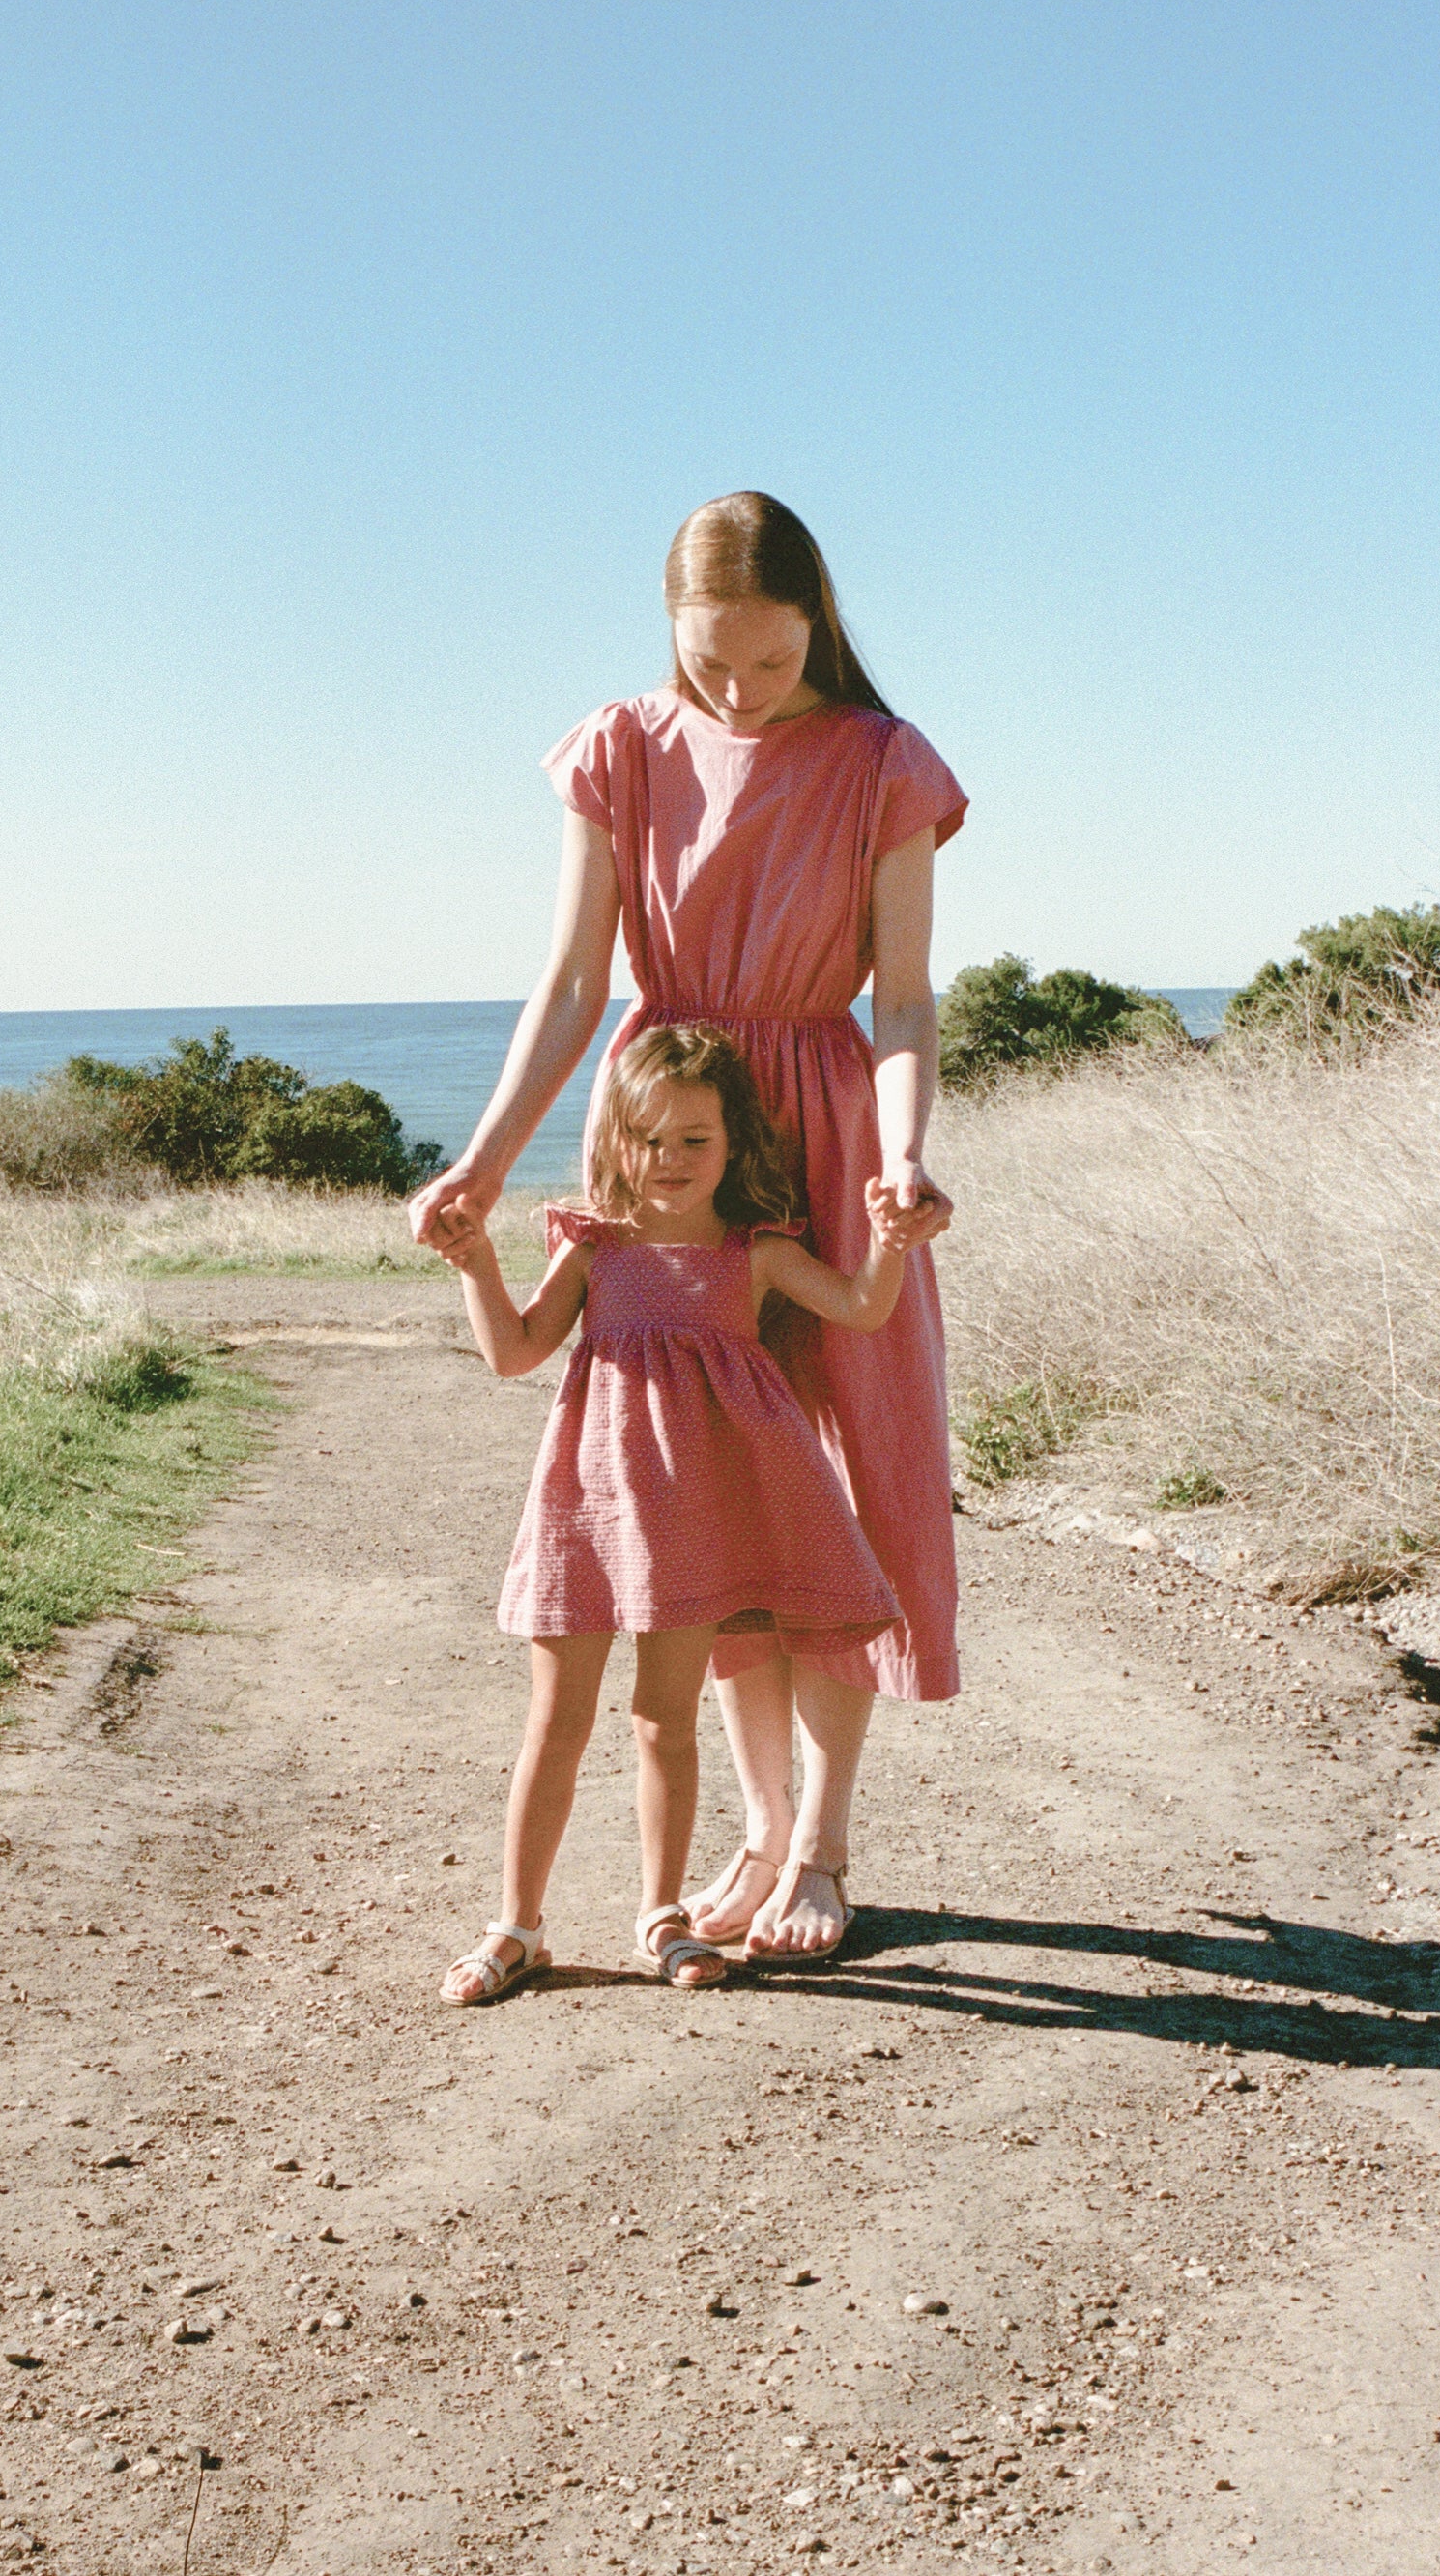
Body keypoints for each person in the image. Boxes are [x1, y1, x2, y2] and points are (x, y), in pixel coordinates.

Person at [411, 489, 966, 1959]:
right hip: (670, 1117)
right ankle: (760, 1824)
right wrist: (480, 1164)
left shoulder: (880, 761)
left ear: (817, 626)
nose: (734, 691)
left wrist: (899, 1156)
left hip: (827, 1129)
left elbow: (901, 994)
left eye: (767, 662)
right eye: (707, 661)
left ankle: (826, 1844)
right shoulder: (621, 748)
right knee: (709, 1496)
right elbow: (571, 984)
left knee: (848, 1482)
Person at [434, 1025, 915, 2004]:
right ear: (614, 1140)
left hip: (696, 1526)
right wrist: (474, 1259)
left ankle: (661, 1918)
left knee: (664, 1721)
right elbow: (514, 1351)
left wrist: (894, 1240)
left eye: (695, 1140)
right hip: (587, 1513)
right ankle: (515, 1926)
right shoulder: (592, 1247)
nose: (671, 1160)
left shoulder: (759, 1252)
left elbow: (862, 1306)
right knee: (554, 1722)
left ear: (733, 1143)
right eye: (649, 1139)